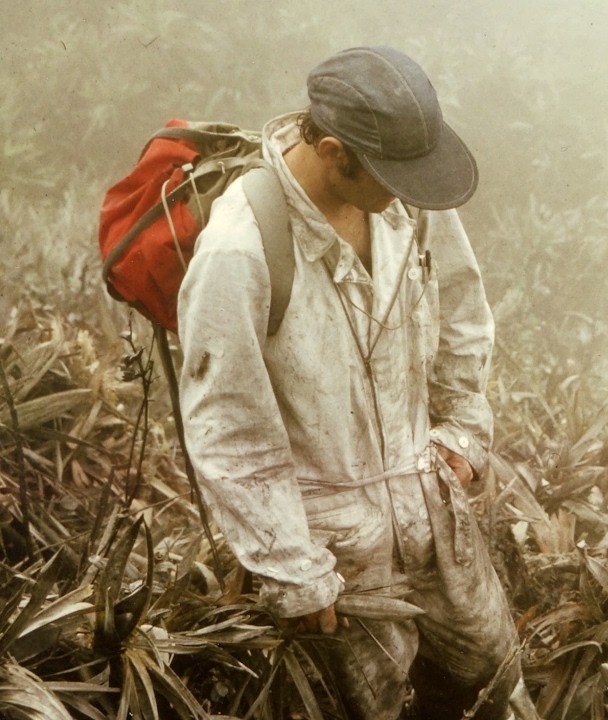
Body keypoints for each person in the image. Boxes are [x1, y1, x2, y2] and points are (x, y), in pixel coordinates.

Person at [177, 46, 524, 719]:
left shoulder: (406, 200)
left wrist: (462, 431)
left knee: (488, 669)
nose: (406, 192)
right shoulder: (240, 251)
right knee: (369, 705)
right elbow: (229, 432)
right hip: (329, 540)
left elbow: (463, 313)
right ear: (335, 153)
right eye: (393, 177)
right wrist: (295, 570)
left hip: (429, 498)